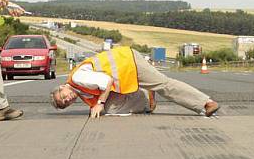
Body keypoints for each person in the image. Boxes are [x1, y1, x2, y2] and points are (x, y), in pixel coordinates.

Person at [50, 46, 219, 118]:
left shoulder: (78, 78)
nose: (67, 99)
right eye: (65, 103)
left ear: (64, 86)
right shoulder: (80, 90)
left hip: (129, 63)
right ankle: (146, 99)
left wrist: (100, 103)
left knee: (163, 85)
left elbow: (106, 80)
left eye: (62, 96)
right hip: (126, 70)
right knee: (109, 109)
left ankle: (206, 103)